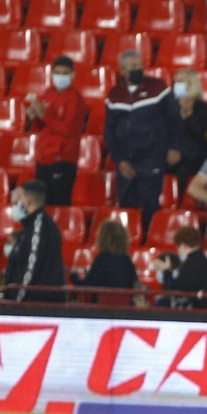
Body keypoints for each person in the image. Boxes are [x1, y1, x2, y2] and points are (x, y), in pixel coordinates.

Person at [104, 50, 179, 228]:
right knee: (126, 205)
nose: (138, 69)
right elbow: (109, 131)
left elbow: (174, 120)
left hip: (152, 156)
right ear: (122, 70)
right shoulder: (114, 94)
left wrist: (174, 147)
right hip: (126, 159)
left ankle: (150, 242)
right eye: (133, 66)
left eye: (140, 65)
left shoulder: (158, 87)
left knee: (150, 204)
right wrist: (119, 160)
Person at [27, 56, 86, 206]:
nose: (60, 76)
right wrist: (34, 116)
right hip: (44, 157)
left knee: (59, 205)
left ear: (73, 75)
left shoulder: (75, 98)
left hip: (63, 158)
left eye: (65, 73)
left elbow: (68, 129)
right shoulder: (48, 93)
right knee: (42, 205)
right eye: (57, 72)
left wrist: (44, 115)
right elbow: (41, 126)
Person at [75, 218, 136, 301]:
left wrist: (74, 277)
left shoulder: (102, 259)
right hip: (124, 308)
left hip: (104, 308)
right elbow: (133, 282)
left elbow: (88, 285)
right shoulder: (127, 259)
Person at [171, 69, 207, 187]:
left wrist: (188, 115)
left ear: (192, 84)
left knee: (183, 169)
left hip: (194, 156)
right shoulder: (170, 107)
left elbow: (201, 134)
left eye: (180, 81)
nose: (176, 85)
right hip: (172, 153)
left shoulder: (203, 108)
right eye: (175, 82)